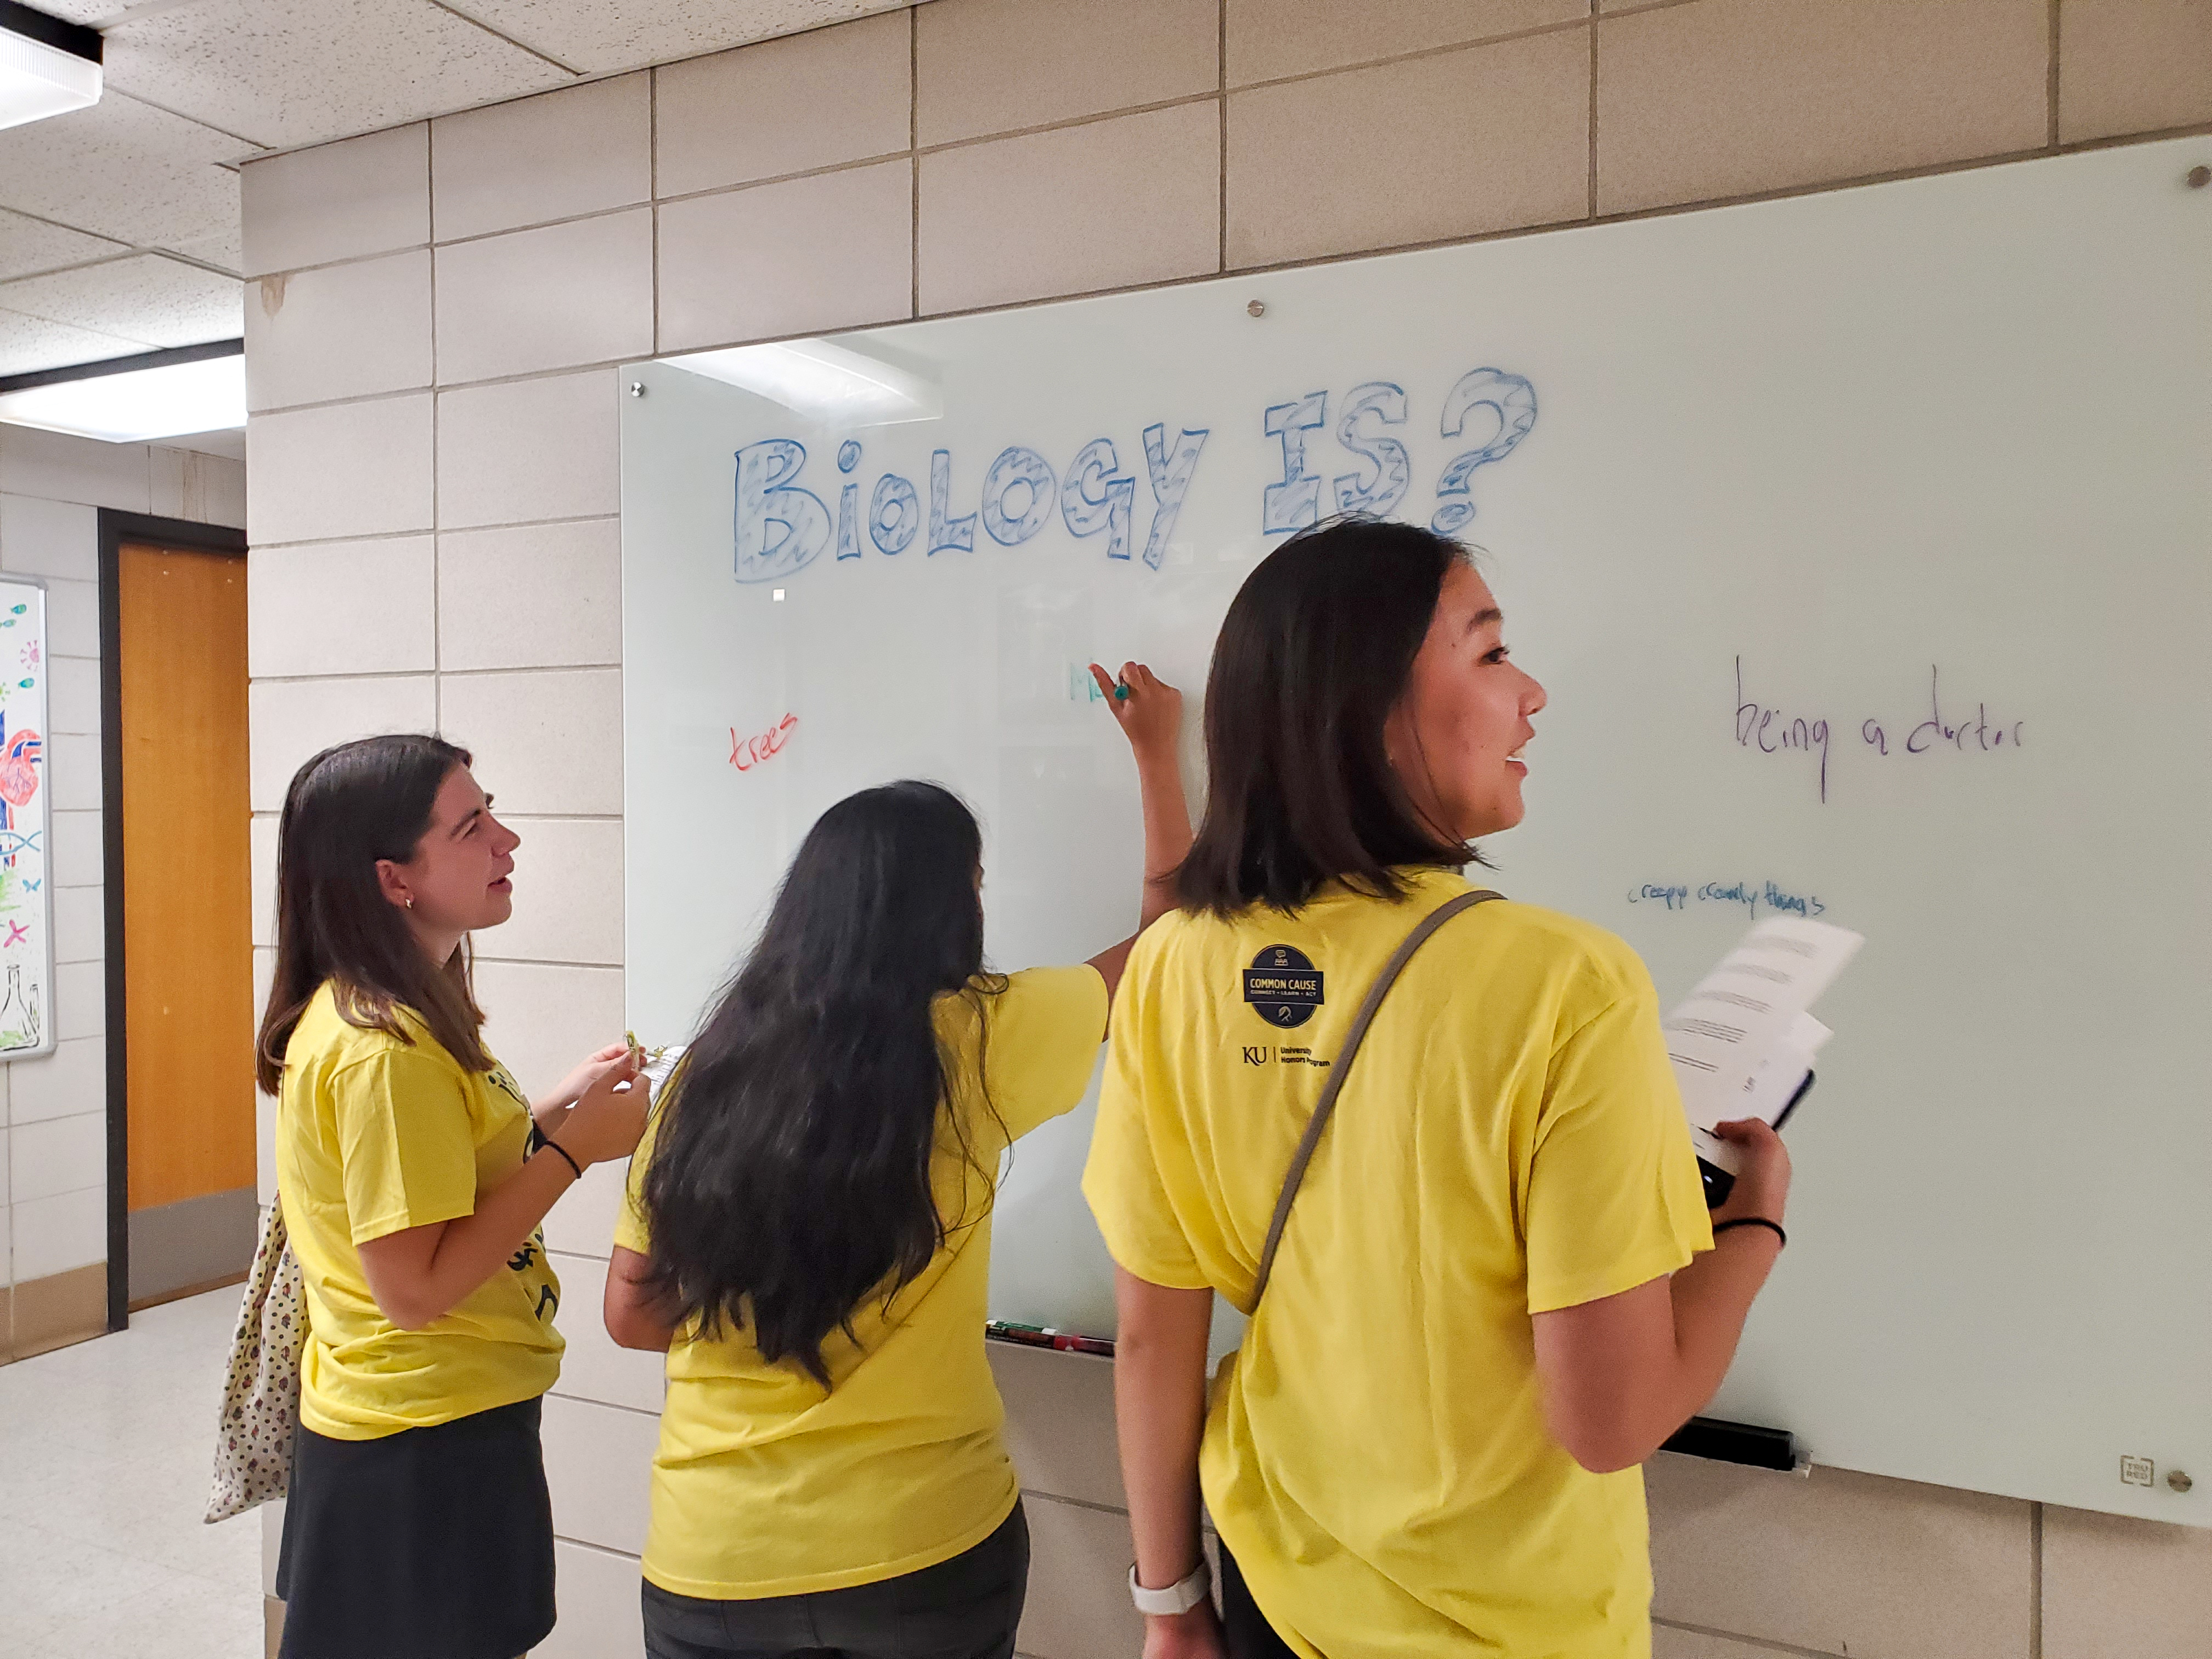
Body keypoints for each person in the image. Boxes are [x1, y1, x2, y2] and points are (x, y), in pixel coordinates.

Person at [1083, 520, 1793, 1659]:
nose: (1535, 694)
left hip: (1271, 1580)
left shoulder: (1172, 966)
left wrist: (1170, 1610)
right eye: (1492, 654)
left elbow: (1151, 1336)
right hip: (1504, 1623)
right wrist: (1755, 1222)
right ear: (1374, 716)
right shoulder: (1569, 986)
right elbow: (1609, 1421)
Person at [602, 662, 1190, 1659]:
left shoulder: (705, 1074)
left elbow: (631, 1315)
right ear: (942, 910)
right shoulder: (977, 1039)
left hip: (713, 1558)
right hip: (920, 1550)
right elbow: (1170, 948)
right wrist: (1158, 759)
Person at [257, 733, 649, 1659]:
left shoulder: (401, 1006)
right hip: (419, 1445)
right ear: (396, 880)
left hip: (429, 1425)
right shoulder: (383, 1049)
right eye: (472, 827)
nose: (507, 841)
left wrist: (560, 1101)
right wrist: (570, 1150)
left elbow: (449, 1166)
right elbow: (416, 1289)